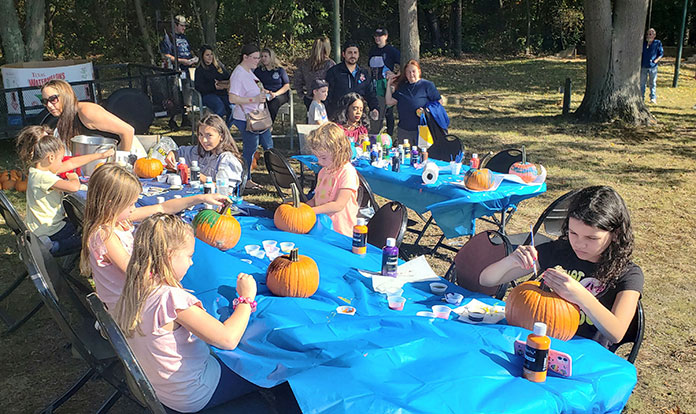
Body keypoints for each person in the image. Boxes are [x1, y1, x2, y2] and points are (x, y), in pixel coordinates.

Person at [114, 213, 258, 412]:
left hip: (157, 388)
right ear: (169, 255)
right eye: (189, 256)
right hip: (192, 393)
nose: (191, 263)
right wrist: (246, 298)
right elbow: (228, 339)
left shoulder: (132, 287)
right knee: (262, 371)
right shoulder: (171, 299)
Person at [480, 186, 643, 345]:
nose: (579, 243)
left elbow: (616, 333)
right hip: (541, 342)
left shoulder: (628, 274)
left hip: (584, 355)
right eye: (573, 233)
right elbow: (487, 280)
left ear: (615, 234)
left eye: (591, 238)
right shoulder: (558, 252)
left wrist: (580, 296)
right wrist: (511, 261)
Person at [80, 164, 226, 311]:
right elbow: (135, 271)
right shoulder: (106, 236)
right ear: (111, 204)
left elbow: (162, 208)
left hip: (133, 298)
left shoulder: (119, 219)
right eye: (130, 204)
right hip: (127, 310)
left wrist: (201, 198)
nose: (133, 208)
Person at [15, 125, 113, 256]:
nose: (62, 163)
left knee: (80, 223)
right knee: (90, 236)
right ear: (50, 158)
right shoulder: (43, 177)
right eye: (60, 159)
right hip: (51, 230)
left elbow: (71, 163)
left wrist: (101, 155)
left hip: (42, 227)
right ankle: (49, 247)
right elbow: (74, 187)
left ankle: (44, 244)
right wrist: (74, 178)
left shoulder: (37, 170)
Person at [41, 79, 144, 154]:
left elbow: (128, 131)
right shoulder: (63, 121)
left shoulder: (86, 111)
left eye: (53, 99)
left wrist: (121, 165)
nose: (49, 105)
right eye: (45, 101)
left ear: (65, 96)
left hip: (129, 158)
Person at [228, 44, 272, 189]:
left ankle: (277, 175)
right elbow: (233, 98)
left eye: (258, 58)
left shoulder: (248, 71)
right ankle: (245, 179)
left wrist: (264, 92)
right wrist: (255, 100)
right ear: (245, 57)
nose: (257, 61)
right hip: (246, 118)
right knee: (250, 149)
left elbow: (254, 89)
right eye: (254, 58)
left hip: (258, 116)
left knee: (268, 146)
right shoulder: (238, 74)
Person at [306, 123, 359, 237]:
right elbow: (316, 199)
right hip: (323, 228)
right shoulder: (323, 172)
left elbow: (338, 205)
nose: (319, 161)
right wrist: (302, 208)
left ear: (338, 151)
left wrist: (311, 211)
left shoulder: (347, 172)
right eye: (317, 157)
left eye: (323, 157)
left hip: (341, 231)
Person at [165, 114, 243, 187]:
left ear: (221, 136)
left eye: (209, 135)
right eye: (200, 135)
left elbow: (227, 189)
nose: (204, 140)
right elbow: (181, 152)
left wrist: (201, 177)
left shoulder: (227, 159)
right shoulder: (200, 151)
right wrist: (172, 153)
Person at [385, 60, 442, 144]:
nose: (411, 74)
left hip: (423, 129)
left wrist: (427, 110)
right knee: (405, 155)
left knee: (422, 155)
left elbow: (439, 102)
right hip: (404, 130)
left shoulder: (427, 85)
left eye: (413, 71)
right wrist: (388, 84)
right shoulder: (402, 87)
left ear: (419, 71)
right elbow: (389, 101)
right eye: (408, 72)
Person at [325, 40, 379, 121]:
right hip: (338, 117)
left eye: (355, 53)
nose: (352, 55)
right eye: (350, 53)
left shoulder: (364, 73)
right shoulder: (334, 72)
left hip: (358, 117)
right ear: (343, 54)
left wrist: (374, 108)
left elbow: (370, 93)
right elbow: (328, 95)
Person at [368, 28, 400, 135]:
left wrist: (395, 75)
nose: (377, 38)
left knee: (388, 111)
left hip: (386, 85)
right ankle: (375, 134)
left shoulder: (391, 50)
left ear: (386, 36)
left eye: (380, 36)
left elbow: (404, 63)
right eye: (376, 36)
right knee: (376, 108)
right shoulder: (372, 50)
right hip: (373, 84)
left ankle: (389, 136)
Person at [293, 37, 336, 110]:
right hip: (326, 100)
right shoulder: (330, 64)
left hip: (310, 98)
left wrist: (302, 96)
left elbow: (297, 81)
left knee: (311, 119)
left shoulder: (305, 64)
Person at [194, 45, 232, 122]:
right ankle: (215, 127)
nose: (210, 57)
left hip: (222, 92)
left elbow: (227, 77)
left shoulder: (217, 66)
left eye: (211, 54)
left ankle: (225, 129)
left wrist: (225, 83)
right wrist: (213, 87)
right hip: (208, 94)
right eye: (207, 55)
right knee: (220, 107)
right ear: (202, 56)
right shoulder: (200, 70)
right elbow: (199, 87)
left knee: (232, 108)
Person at [254, 48, 290, 123]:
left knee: (274, 103)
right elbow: (255, 83)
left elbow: (286, 85)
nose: (263, 58)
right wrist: (264, 91)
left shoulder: (280, 70)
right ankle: (257, 123)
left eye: (265, 56)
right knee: (261, 103)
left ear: (271, 57)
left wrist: (275, 94)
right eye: (262, 56)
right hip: (264, 93)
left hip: (279, 94)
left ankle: (269, 125)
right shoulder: (259, 71)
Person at [160, 15, 198, 79]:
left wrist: (194, 58)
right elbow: (166, 56)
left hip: (189, 70)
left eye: (185, 26)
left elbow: (190, 51)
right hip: (177, 71)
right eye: (182, 26)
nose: (184, 28)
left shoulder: (184, 37)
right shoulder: (169, 37)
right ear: (175, 25)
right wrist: (181, 61)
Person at [641, 28, 663, 104]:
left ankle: (653, 98)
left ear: (654, 35)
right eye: (647, 34)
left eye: (650, 34)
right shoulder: (643, 43)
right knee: (642, 83)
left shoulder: (657, 43)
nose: (648, 36)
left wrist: (655, 61)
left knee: (652, 83)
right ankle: (641, 98)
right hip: (643, 66)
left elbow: (661, 54)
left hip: (653, 67)